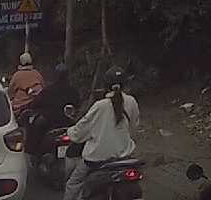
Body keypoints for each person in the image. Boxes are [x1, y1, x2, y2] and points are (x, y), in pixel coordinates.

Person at [64, 66, 141, 200]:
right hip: (124, 158)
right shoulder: (132, 102)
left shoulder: (100, 106)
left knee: (74, 183)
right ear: (125, 84)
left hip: (97, 161)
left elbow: (81, 130)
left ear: (105, 85)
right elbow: (133, 127)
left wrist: (70, 132)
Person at [26, 62, 81, 155]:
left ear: (55, 75)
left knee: (35, 130)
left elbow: (35, 104)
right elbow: (77, 105)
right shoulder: (73, 91)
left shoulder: (48, 90)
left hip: (50, 122)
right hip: (68, 122)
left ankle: (34, 155)